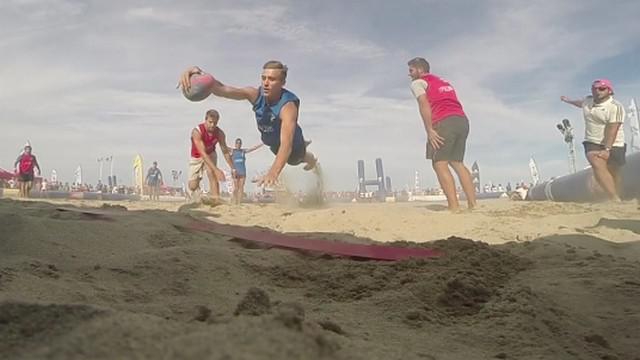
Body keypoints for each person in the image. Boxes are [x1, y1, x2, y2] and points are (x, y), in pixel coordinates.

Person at [179, 60, 317, 187]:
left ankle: (311, 158)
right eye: (264, 78)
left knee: (294, 160)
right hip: (273, 143)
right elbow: (221, 89)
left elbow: (286, 144)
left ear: (282, 83)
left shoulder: (288, 106)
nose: (266, 83)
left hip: (291, 143)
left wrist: (273, 172)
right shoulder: (255, 94)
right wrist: (198, 73)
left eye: (272, 79)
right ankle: (304, 148)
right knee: (280, 152)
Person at [407, 57, 477, 212]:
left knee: (439, 163)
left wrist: (430, 130)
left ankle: (454, 207)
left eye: (411, 70)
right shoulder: (444, 82)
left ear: (420, 69)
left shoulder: (417, 83)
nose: (409, 74)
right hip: (462, 120)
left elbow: (424, 105)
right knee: (457, 162)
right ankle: (473, 205)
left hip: (444, 122)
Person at [561, 79, 626, 202]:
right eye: (594, 89)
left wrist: (607, 149)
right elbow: (580, 103)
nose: (597, 91)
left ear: (609, 91)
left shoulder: (615, 107)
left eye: (601, 89)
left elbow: (613, 129)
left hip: (614, 142)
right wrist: (567, 100)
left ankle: (616, 192)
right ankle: (613, 198)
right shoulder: (588, 101)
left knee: (614, 172)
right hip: (592, 141)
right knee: (596, 162)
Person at [189, 109, 235, 204]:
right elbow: (203, 154)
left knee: (211, 173)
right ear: (205, 120)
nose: (212, 125)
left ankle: (216, 199)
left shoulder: (219, 133)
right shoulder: (197, 132)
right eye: (210, 122)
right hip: (198, 155)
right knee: (192, 185)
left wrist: (233, 168)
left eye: (215, 123)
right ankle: (196, 193)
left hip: (210, 153)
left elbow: (225, 151)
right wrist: (216, 170)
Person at [231, 138, 264, 205]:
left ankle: (239, 202)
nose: (238, 144)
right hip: (235, 172)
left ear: (241, 144)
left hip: (242, 171)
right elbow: (224, 146)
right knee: (236, 187)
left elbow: (253, 148)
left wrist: (262, 143)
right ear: (235, 144)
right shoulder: (232, 151)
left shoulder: (243, 151)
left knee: (241, 187)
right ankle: (234, 200)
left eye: (239, 143)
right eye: (237, 143)